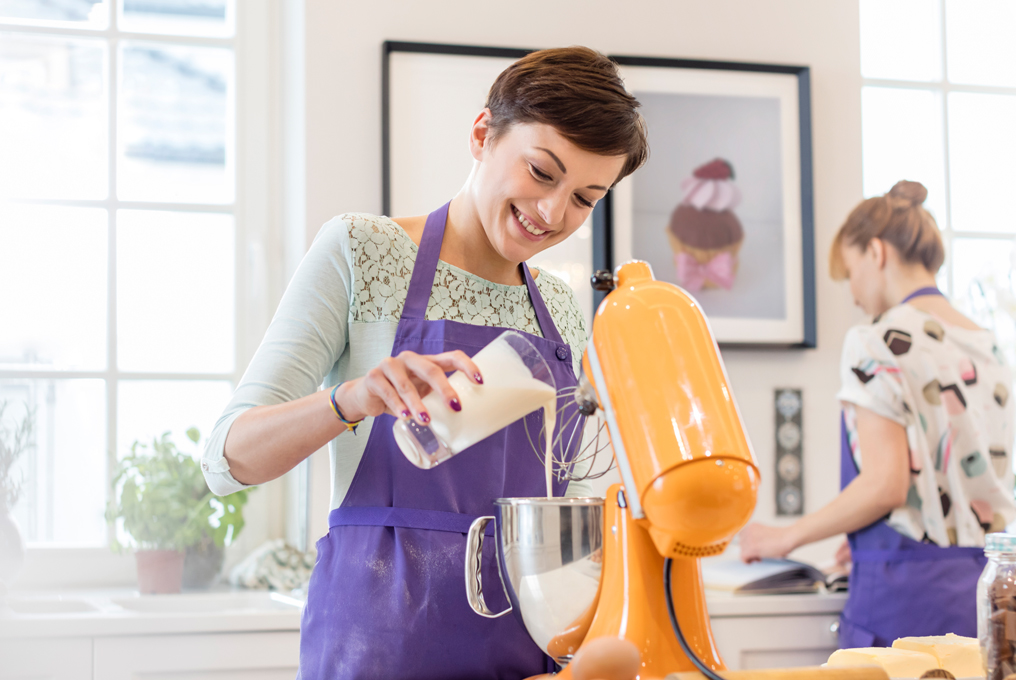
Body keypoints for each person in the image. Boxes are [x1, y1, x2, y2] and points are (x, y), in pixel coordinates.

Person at [200, 47, 649, 680]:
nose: (552, 213)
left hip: (525, 657)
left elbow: (571, 503)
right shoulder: (362, 252)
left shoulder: (561, 310)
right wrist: (351, 400)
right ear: (482, 134)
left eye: (584, 198)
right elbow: (227, 459)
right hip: (375, 650)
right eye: (542, 172)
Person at [740, 180, 1016, 647]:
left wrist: (785, 538)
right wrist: (864, 537)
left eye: (849, 273)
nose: (852, 294)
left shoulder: (877, 340)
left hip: (905, 604)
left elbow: (885, 484)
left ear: (875, 252)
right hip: (990, 597)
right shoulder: (987, 344)